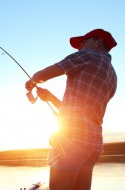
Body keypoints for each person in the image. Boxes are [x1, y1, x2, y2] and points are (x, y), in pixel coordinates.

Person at [25, 29, 117, 190]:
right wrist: (51, 98)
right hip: (93, 142)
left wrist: (32, 82)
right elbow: (80, 112)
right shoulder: (113, 75)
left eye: (83, 43)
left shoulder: (88, 55)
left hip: (72, 139)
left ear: (98, 42)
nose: (80, 48)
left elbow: (42, 75)